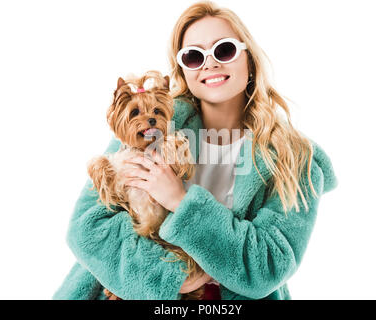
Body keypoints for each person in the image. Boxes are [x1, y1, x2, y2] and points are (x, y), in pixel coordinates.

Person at [53, 0, 337, 300]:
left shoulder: (293, 158)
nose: (209, 64)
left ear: (249, 60)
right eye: (193, 56)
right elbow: (87, 229)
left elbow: (267, 264)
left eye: (224, 50)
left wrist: (181, 200)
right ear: (183, 70)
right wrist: (172, 277)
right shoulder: (154, 125)